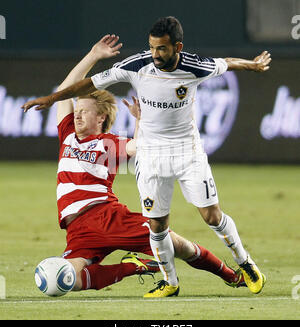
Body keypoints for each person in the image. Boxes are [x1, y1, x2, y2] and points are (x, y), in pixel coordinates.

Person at [23, 17, 271, 297]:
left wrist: (253, 64)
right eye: (76, 110)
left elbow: (139, 146)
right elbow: (72, 85)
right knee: (69, 279)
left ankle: (234, 273)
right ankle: (142, 270)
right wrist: (86, 62)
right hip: (76, 227)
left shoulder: (109, 143)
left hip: (107, 214)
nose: (77, 114)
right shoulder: (67, 133)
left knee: (184, 237)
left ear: (101, 117)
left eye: (84, 111)